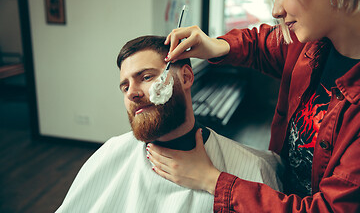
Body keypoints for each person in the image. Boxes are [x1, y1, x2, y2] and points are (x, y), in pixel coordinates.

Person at [147, 0, 360, 212]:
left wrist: (211, 180)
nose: (275, 10)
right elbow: (262, 43)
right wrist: (214, 46)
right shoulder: (312, 44)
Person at [56, 36, 284, 213]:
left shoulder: (255, 170)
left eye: (146, 77)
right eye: (125, 87)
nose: (132, 93)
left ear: (185, 77)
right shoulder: (109, 155)